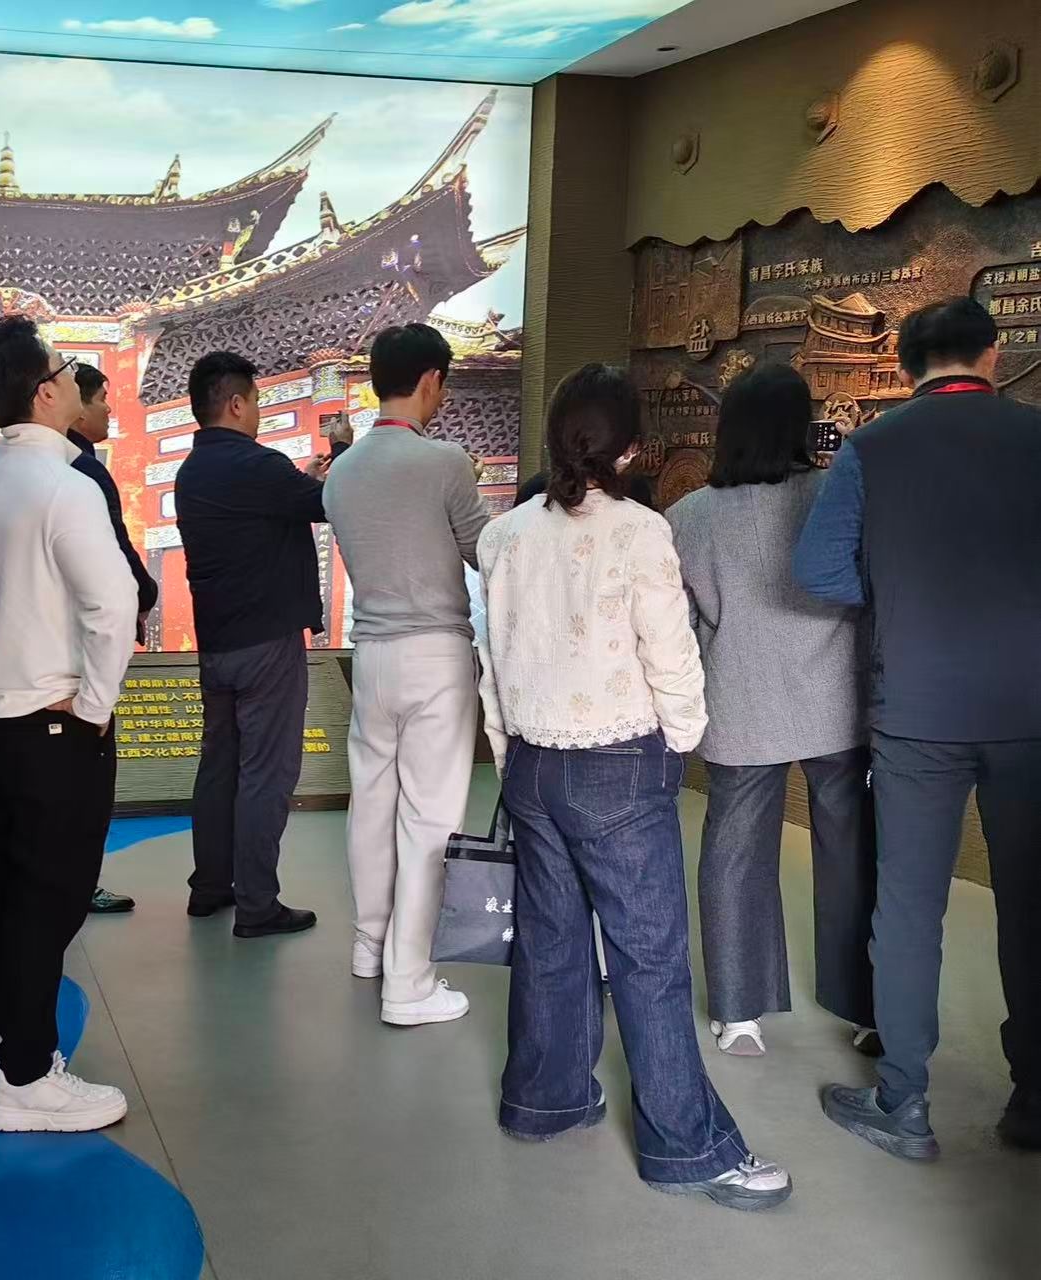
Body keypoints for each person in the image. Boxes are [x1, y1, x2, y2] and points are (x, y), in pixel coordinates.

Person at [476, 363, 791, 1210]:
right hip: (618, 765)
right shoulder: (642, 532)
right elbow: (671, 654)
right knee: (649, 958)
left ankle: (544, 1101)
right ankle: (688, 1146)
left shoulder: (503, 537)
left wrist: (508, 754)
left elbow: (492, 662)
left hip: (533, 765)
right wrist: (682, 741)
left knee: (549, 941)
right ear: (631, 450)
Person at [799, 297, 1041, 1157]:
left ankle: (903, 1103)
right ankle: (1035, 1099)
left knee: (907, 907)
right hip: (1028, 708)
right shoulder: (1035, 434)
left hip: (915, 710)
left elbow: (817, 569)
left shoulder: (872, 447)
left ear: (905, 365)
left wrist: (894, 592)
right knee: (1032, 902)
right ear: (994, 352)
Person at [0, 316, 134, 1133]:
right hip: (53, 727)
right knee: (46, 902)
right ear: (46, 392)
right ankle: (25, 1076)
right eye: (65, 366)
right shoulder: (65, 485)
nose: (76, 377)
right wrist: (92, 708)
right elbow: (114, 607)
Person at [667, 363, 876, 1060]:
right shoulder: (835, 496)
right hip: (837, 702)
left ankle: (738, 1012)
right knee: (851, 854)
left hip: (738, 702)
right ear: (799, 427)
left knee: (734, 855)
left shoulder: (688, 516)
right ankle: (865, 1005)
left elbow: (681, 626)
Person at [323, 323, 489, 1026]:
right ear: (430, 380)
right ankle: (409, 982)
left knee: (372, 803)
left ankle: (370, 945)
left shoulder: (342, 472)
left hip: (372, 656)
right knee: (429, 818)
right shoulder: (444, 462)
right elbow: (484, 551)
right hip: (436, 656)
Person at [174, 351, 349, 937]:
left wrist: (306, 476)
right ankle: (257, 904)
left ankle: (210, 886)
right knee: (266, 774)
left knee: (219, 766)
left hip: (217, 644)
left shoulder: (192, 471)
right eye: (255, 401)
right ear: (236, 403)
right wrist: (342, 450)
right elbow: (328, 503)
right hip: (268, 645)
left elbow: (283, 499)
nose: (258, 412)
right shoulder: (258, 464)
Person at [70, 361, 157, 916]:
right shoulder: (83, 471)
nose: (108, 409)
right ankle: (77, 884)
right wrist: (143, 594)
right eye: (102, 398)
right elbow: (114, 550)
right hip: (80, 652)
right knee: (87, 774)